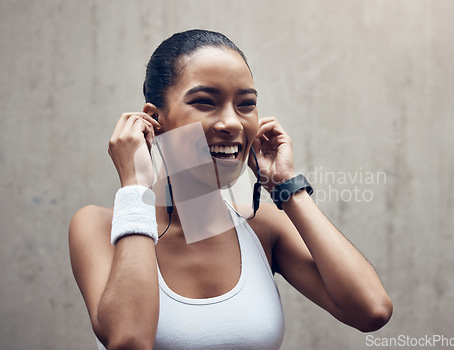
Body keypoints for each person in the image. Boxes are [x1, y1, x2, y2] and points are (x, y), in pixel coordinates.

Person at [69, 29, 392, 350]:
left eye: (246, 104)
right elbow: (130, 340)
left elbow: (371, 310)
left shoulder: (264, 228)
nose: (232, 123)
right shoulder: (97, 226)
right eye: (205, 102)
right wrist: (135, 189)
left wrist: (286, 188)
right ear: (154, 119)